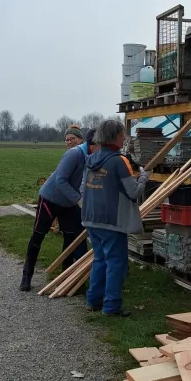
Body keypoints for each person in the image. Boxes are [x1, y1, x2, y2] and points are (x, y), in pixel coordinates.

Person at [82, 119, 149, 316]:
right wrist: (144, 176)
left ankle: (93, 300)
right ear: (115, 137)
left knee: (100, 259)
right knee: (116, 263)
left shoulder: (92, 158)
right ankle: (111, 307)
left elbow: (85, 188)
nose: (124, 139)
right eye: (122, 135)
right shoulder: (119, 161)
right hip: (111, 220)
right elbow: (134, 192)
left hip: (91, 217)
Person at [19, 128, 98, 291]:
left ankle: (66, 278)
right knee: (38, 236)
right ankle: (26, 276)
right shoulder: (74, 154)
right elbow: (61, 180)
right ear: (94, 143)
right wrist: (79, 200)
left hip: (68, 203)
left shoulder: (91, 156)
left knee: (70, 240)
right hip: (50, 199)